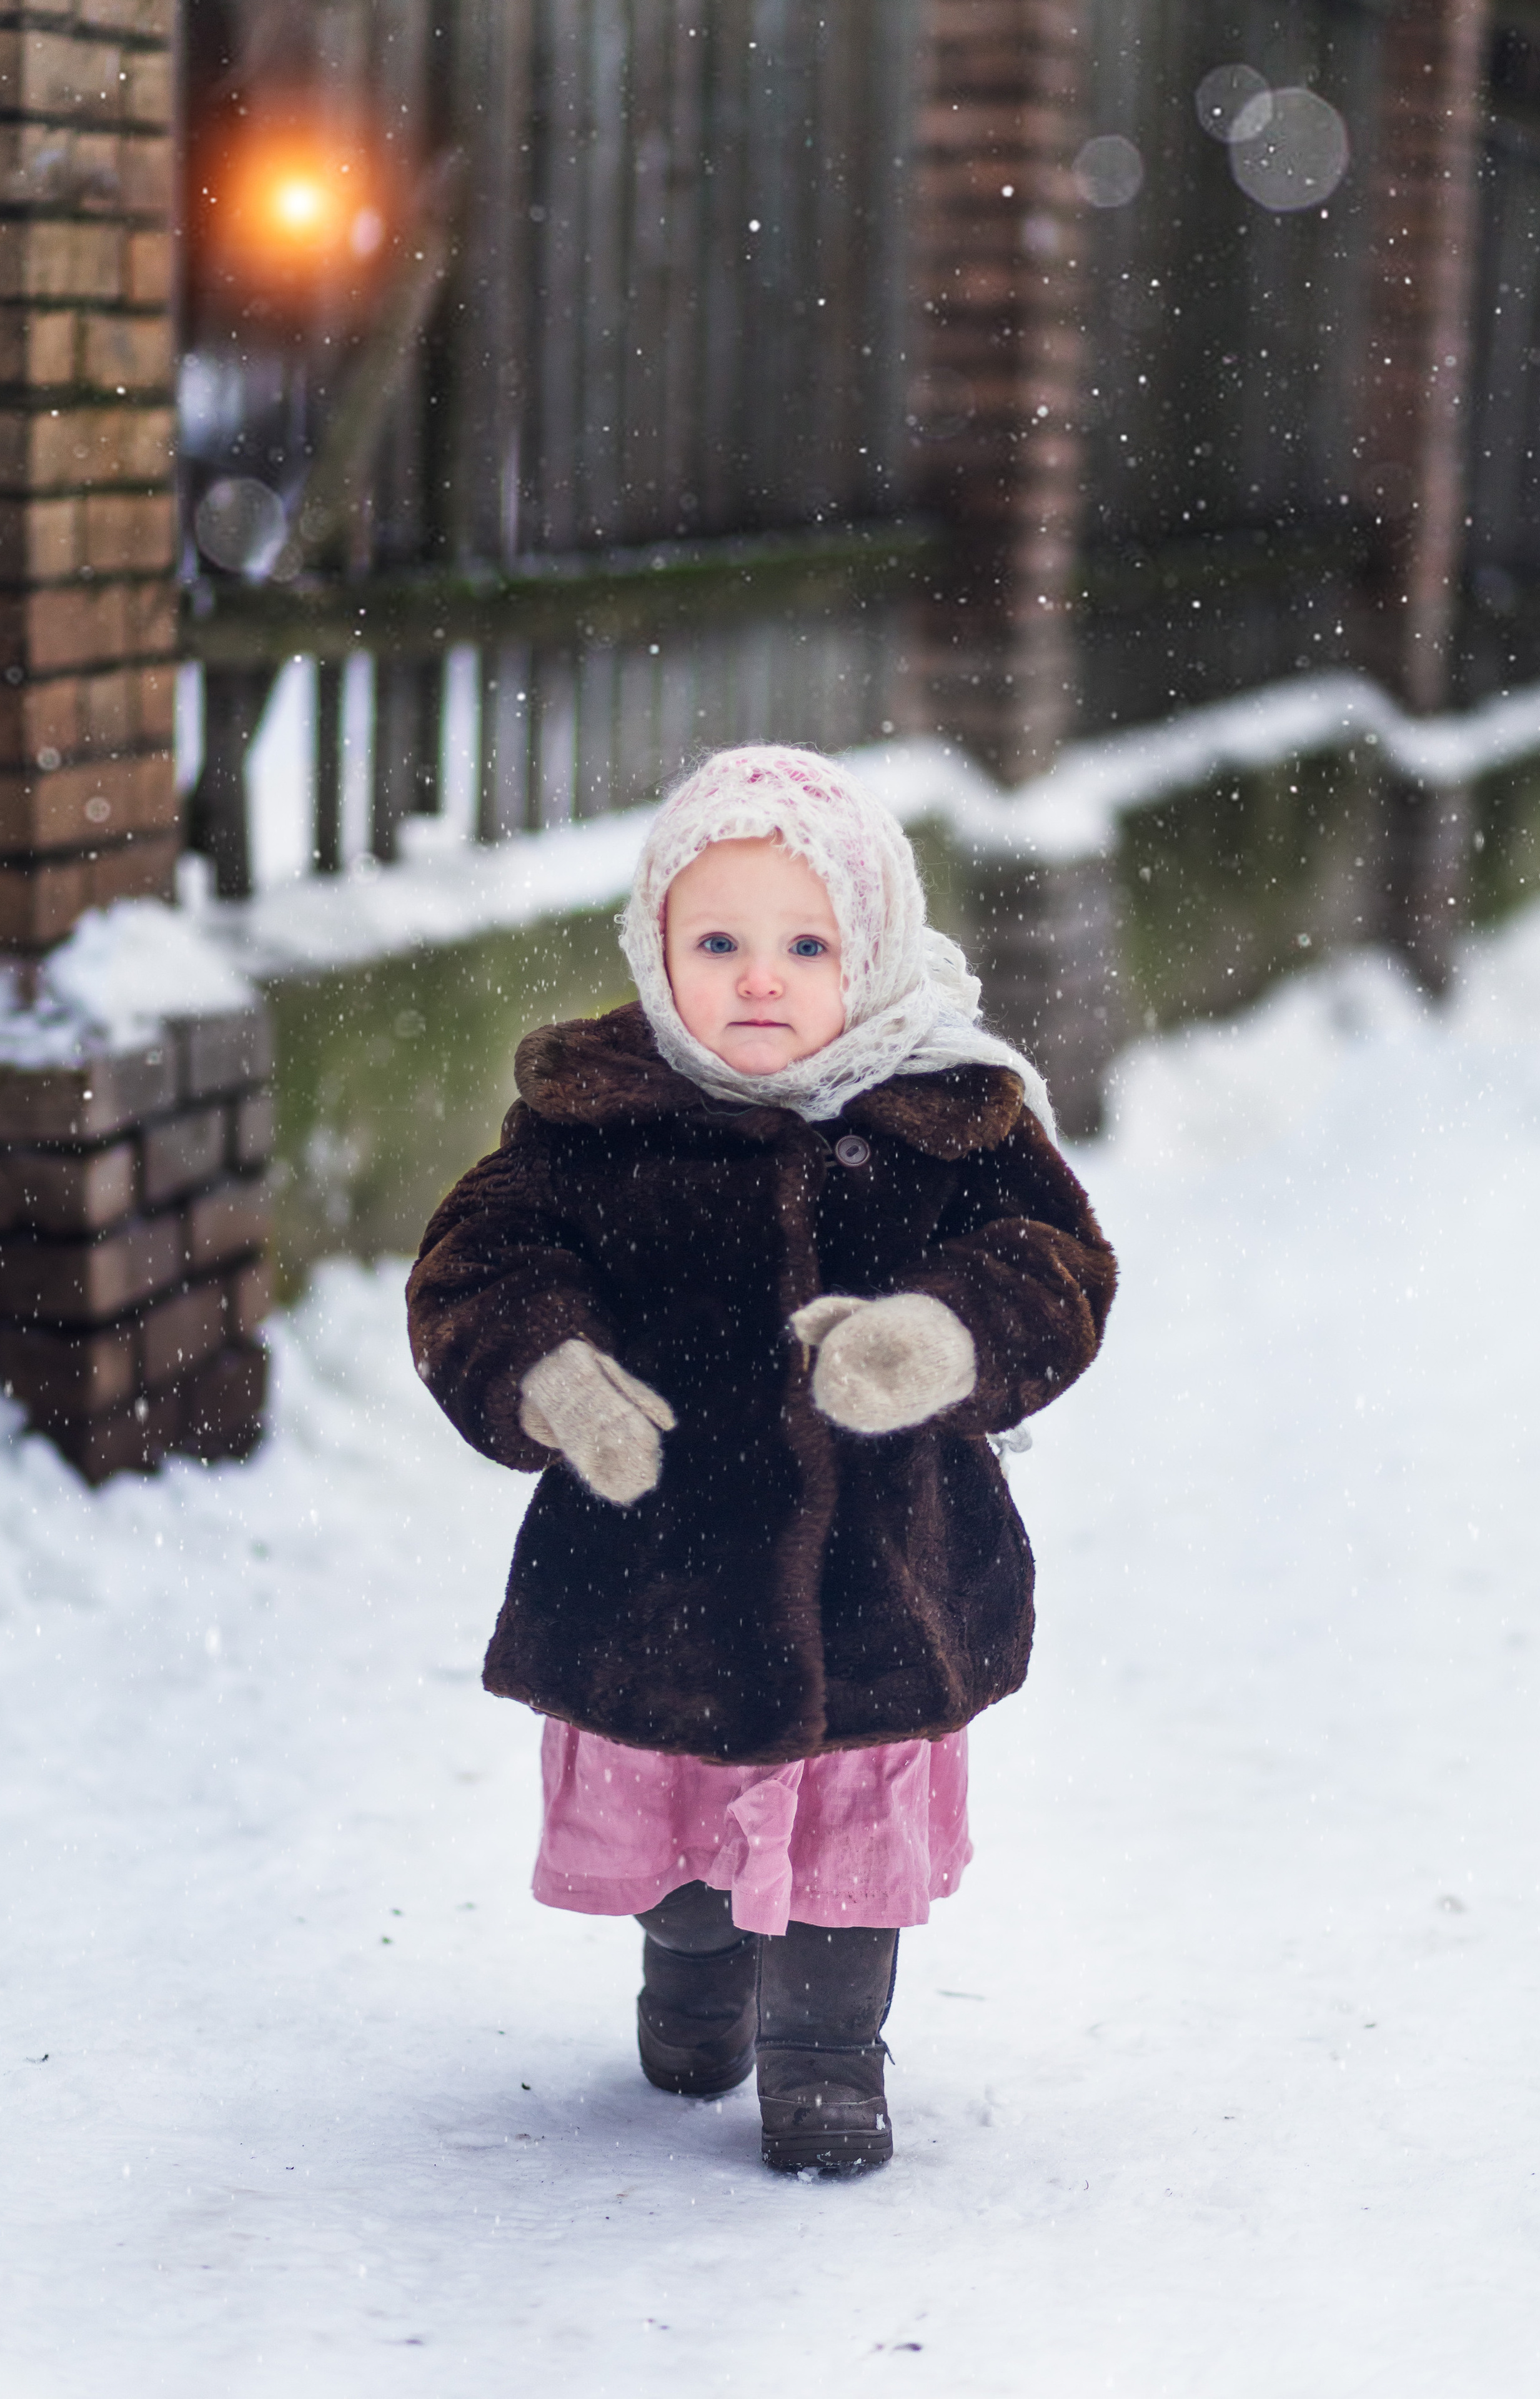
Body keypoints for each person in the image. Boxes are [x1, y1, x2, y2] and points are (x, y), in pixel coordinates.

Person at [406, 743, 1115, 2173]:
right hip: (654, 1566)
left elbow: (1052, 1266)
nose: (757, 978)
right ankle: (690, 1971)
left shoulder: (947, 1115)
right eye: (715, 940)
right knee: (676, 1812)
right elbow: (482, 1262)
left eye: (805, 944)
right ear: (654, 947)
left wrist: (941, 1334)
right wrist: (550, 1374)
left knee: (851, 1821)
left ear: (875, 947)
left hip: (886, 1563)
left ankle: (827, 2059)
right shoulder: (592, 1123)